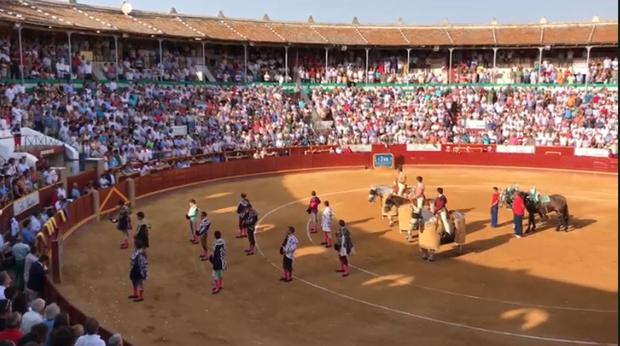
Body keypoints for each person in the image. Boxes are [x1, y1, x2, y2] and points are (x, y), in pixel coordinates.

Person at [128, 238, 148, 302]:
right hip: (135, 269)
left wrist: (143, 272)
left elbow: (142, 264)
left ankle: (141, 297)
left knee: (139, 283)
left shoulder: (140, 253)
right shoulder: (138, 251)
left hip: (138, 270)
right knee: (134, 281)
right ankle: (136, 294)